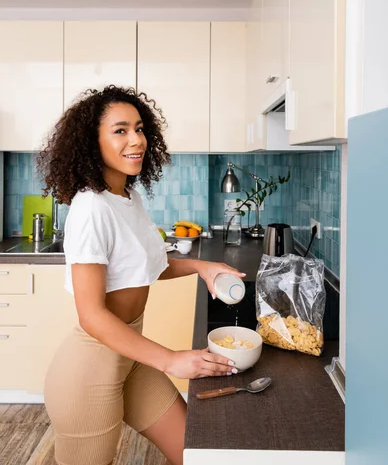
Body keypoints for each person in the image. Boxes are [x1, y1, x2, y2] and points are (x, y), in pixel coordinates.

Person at [37, 85, 245, 465]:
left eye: (139, 128)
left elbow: (149, 265)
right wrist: (170, 360)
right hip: (89, 372)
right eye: (120, 130)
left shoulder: (127, 198)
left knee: (196, 453)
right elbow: (92, 315)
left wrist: (203, 266)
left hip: (130, 357)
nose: (136, 140)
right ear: (91, 142)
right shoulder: (91, 208)